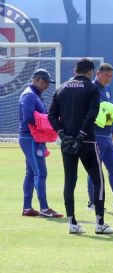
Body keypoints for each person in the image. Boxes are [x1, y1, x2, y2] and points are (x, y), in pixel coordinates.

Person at [48, 58, 113, 234]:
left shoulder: (61, 88)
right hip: (86, 141)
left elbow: (51, 115)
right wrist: (81, 135)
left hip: (67, 141)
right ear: (91, 71)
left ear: (74, 70)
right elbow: (92, 114)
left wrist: (63, 134)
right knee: (98, 180)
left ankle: (72, 223)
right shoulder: (92, 88)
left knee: (69, 180)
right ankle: (100, 223)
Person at [18, 68, 63, 218]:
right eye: (46, 82)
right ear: (36, 79)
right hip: (30, 138)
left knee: (31, 172)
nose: (47, 85)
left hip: (34, 138)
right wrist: (47, 122)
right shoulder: (30, 95)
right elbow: (28, 117)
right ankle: (44, 208)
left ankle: (27, 208)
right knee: (40, 172)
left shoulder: (35, 95)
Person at [85, 63, 113, 211]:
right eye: (106, 76)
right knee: (94, 169)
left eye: (111, 76)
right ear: (98, 73)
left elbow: (111, 112)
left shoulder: (108, 89)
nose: (108, 79)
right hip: (95, 135)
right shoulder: (91, 89)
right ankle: (92, 202)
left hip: (107, 136)